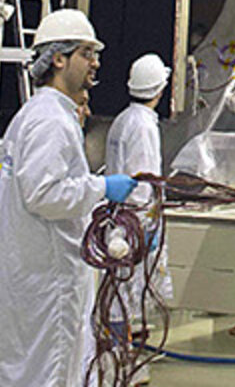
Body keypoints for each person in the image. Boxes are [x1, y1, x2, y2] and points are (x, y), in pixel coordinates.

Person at [0, 9, 138, 387]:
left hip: (35, 270)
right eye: (87, 53)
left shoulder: (42, 113)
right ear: (59, 58)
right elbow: (44, 195)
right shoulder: (49, 119)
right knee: (47, 368)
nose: (96, 63)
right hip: (45, 277)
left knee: (28, 366)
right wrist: (103, 188)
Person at [104, 53, 174, 365]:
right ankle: (124, 361)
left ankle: (123, 356)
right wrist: (150, 226)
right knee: (127, 295)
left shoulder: (123, 120)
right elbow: (144, 178)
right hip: (134, 220)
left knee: (120, 293)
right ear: (160, 88)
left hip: (118, 218)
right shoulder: (144, 127)